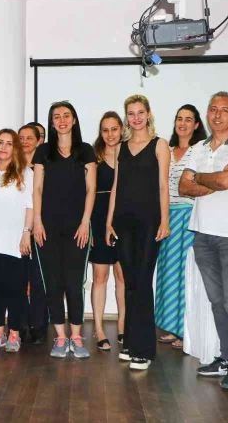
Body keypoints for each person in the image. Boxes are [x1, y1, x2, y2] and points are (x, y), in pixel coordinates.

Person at [179, 91, 228, 391]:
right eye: (213, 109)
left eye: (224, 110)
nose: (217, 114)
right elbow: (184, 186)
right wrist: (212, 179)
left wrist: (201, 177)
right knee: (218, 302)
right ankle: (226, 357)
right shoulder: (198, 147)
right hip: (203, 234)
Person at [106, 95, 170, 371]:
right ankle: (131, 343)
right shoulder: (121, 148)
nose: (136, 118)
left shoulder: (160, 145)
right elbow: (116, 187)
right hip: (123, 223)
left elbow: (163, 186)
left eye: (140, 112)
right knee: (130, 283)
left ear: (148, 114)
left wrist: (164, 221)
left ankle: (144, 350)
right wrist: (108, 222)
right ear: (127, 117)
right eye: (131, 113)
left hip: (149, 223)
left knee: (142, 282)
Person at [33, 101, 97, 360]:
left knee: (74, 283)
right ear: (52, 122)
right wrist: (37, 221)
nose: (62, 120)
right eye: (56, 116)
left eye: (66, 115)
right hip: (47, 228)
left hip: (77, 228)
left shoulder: (86, 151)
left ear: (74, 120)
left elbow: (91, 190)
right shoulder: (43, 152)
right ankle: (60, 336)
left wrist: (85, 222)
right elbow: (37, 189)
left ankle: (77, 337)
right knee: (53, 282)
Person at [155, 105, 207, 350]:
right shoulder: (167, 149)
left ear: (196, 125)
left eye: (188, 119)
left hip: (189, 217)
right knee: (168, 274)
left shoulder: (201, 150)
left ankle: (186, 330)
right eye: (179, 119)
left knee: (185, 274)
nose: (182, 123)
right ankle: (172, 326)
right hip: (167, 217)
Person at [0, 130, 34, 353]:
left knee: (16, 291)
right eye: (0, 143)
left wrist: (26, 232)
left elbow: (30, 206)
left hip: (15, 242)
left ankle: (14, 333)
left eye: (9, 143)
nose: (4, 147)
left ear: (15, 148)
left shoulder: (25, 173)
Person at [89, 112, 126, 351]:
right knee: (100, 276)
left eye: (114, 129)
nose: (110, 134)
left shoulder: (130, 153)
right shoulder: (94, 157)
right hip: (98, 218)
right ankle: (99, 328)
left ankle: (122, 326)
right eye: (105, 130)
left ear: (121, 129)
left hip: (124, 218)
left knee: (122, 276)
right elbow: (86, 191)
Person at [18, 124, 48, 345]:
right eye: (21, 138)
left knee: (38, 280)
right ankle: (21, 325)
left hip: (40, 228)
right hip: (16, 229)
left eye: (30, 138)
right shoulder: (13, 167)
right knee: (19, 280)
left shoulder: (46, 167)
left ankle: (39, 326)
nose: (25, 142)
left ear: (39, 141)